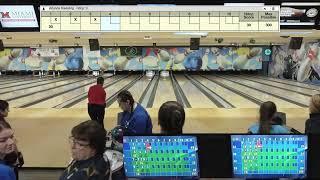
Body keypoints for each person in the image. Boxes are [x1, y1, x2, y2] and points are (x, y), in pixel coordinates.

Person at [0, 100, 24, 180]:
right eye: (7, 109)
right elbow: (12, 141)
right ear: (1, 110)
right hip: (6, 160)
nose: (9, 111)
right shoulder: (3, 125)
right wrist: (18, 155)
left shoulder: (3, 122)